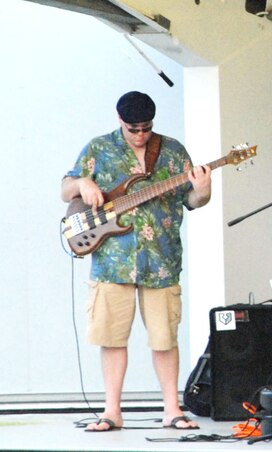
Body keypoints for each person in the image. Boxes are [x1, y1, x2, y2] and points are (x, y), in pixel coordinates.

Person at [61, 91, 211, 432]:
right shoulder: (99, 148)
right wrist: (83, 183)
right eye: (133, 129)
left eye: (146, 128)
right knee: (112, 337)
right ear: (121, 121)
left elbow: (192, 200)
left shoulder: (172, 151)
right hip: (112, 260)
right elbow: (65, 189)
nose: (141, 135)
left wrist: (203, 189)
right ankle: (111, 411)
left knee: (164, 337)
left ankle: (172, 410)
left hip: (161, 258)